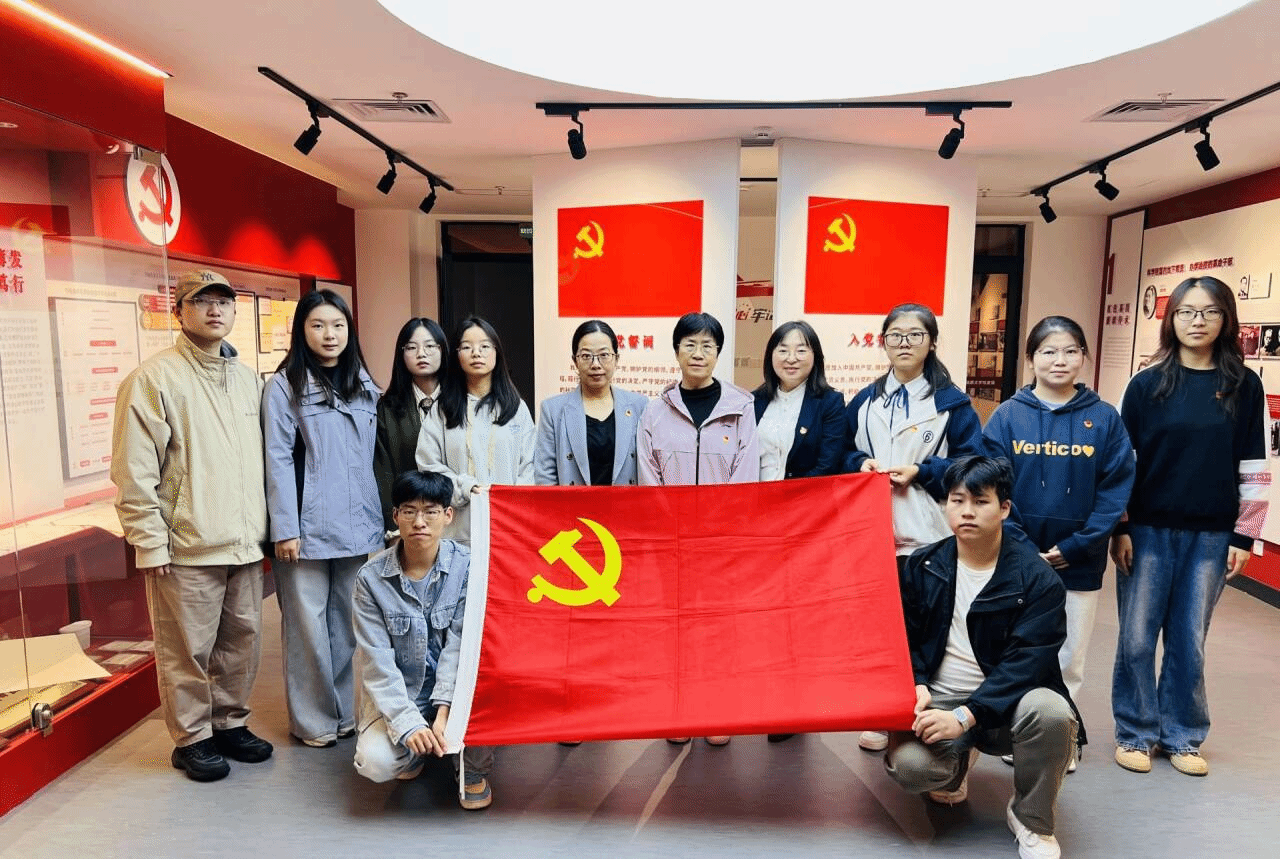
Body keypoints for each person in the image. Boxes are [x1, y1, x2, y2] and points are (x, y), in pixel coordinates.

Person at [111, 269, 272, 782]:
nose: (215, 310)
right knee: (186, 649)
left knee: (241, 642)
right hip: (186, 544)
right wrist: (149, 542)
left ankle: (229, 723)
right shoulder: (153, 379)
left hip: (244, 543)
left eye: (223, 301)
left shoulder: (247, 379)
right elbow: (134, 471)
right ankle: (192, 738)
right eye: (201, 301)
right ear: (179, 312)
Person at [1109, 276, 1267, 777]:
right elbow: (1123, 464)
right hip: (1147, 531)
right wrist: (1120, 527)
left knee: (1188, 640)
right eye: (1186, 312)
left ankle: (1182, 735)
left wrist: (1245, 534)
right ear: (1171, 318)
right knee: (1137, 639)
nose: (1197, 321)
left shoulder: (1245, 385)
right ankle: (1135, 733)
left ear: (1226, 319)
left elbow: (1254, 465)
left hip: (1212, 536)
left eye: (1209, 311)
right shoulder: (1145, 384)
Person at [884, 456, 1078, 859]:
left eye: (980, 501)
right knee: (910, 768)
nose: (967, 512)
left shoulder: (1037, 579)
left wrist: (966, 715)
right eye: (957, 500)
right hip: (941, 699)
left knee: (1052, 714)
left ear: (1004, 508)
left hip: (1008, 703)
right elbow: (904, 638)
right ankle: (956, 766)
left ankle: (1032, 818)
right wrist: (917, 682)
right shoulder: (921, 566)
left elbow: (1027, 664)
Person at [983, 317, 1134, 773]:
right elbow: (992, 486)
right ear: (1031, 359)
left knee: (1070, 656)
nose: (1059, 360)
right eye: (1048, 351)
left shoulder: (1104, 419)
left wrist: (1078, 546)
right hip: (1017, 558)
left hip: (1079, 562)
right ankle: (1019, 732)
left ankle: (1061, 737)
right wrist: (1022, 545)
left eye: (1070, 351)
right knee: (1017, 649)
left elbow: (1115, 491)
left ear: (1084, 357)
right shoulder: (1007, 416)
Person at [843, 303, 984, 752]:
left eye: (915, 335)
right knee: (878, 627)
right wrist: (859, 463)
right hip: (872, 533)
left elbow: (972, 463)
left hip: (928, 533)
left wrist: (923, 471)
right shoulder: (865, 400)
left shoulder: (952, 404)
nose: (904, 343)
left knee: (924, 627)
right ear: (883, 342)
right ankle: (881, 713)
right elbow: (840, 452)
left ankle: (922, 714)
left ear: (932, 342)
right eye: (895, 335)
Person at [263, 289, 383, 748]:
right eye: (318, 325)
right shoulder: (284, 386)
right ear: (302, 331)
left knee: (345, 625)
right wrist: (285, 529)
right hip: (305, 528)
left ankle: (342, 712)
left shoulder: (363, 384)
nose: (329, 334)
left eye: (338, 325)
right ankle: (314, 721)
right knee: (306, 628)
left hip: (356, 525)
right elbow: (277, 459)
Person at [638, 311, 759, 747]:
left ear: (718, 353)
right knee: (674, 626)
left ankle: (715, 708)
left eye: (707, 345)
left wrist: (720, 530)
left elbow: (746, 475)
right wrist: (671, 527)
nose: (698, 352)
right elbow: (648, 474)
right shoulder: (656, 410)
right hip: (670, 541)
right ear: (676, 351)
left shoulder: (741, 406)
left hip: (721, 541)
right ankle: (679, 710)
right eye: (689, 344)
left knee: (719, 626)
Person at [352, 470, 494, 809]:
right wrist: (408, 723)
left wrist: (445, 712)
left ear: (448, 515)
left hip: (457, 693)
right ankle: (414, 749)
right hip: (405, 693)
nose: (419, 522)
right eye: (409, 511)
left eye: (430, 511)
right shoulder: (370, 579)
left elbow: (461, 647)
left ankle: (471, 765)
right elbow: (377, 664)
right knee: (374, 762)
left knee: (486, 685)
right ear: (395, 516)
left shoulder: (469, 567)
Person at [751, 320, 845, 744]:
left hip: (804, 526)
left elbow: (828, 464)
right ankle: (760, 694)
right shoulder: (752, 400)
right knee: (762, 615)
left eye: (801, 349)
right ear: (770, 355)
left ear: (815, 357)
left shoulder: (830, 402)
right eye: (783, 349)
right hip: (755, 526)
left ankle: (791, 706)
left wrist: (788, 508)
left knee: (797, 617)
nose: (791, 358)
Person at [417, 316, 535, 544]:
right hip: (457, 531)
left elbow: (530, 465)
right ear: (457, 354)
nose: (476, 353)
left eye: (484, 346)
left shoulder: (516, 407)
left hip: (509, 528)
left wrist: (509, 501)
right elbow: (428, 465)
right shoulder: (443, 408)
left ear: (497, 352)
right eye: (467, 347)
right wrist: (465, 488)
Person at [536, 319, 648, 488]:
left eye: (604, 355)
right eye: (586, 356)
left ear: (616, 359)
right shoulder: (552, 410)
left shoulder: (639, 406)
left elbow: (647, 471)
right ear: (575, 361)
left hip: (625, 504)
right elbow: (545, 477)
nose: (595, 365)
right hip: (572, 505)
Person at [374, 317, 449, 537]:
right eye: (412, 347)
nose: (421, 354)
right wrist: (394, 529)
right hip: (410, 524)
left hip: (456, 519)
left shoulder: (461, 403)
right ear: (401, 354)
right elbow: (384, 474)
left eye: (430, 346)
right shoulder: (386, 409)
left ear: (443, 350)